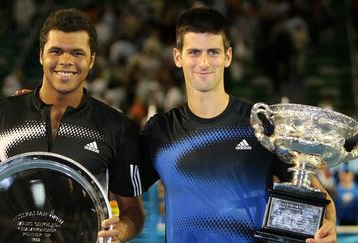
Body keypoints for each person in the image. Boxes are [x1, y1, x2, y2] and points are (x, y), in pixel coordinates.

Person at [139, 7, 336, 243]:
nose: (203, 62)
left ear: (228, 56)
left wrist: (328, 229)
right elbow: (124, 193)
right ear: (177, 57)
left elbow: (319, 197)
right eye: (194, 52)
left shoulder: (261, 126)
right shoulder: (159, 132)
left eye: (213, 52)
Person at [0, 8, 144, 242]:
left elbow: (133, 211)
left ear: (91, 59)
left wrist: (121, 230)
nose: (66, 61)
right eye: (56, 51)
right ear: (41, 55)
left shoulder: (116, 127)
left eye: (77, 53)